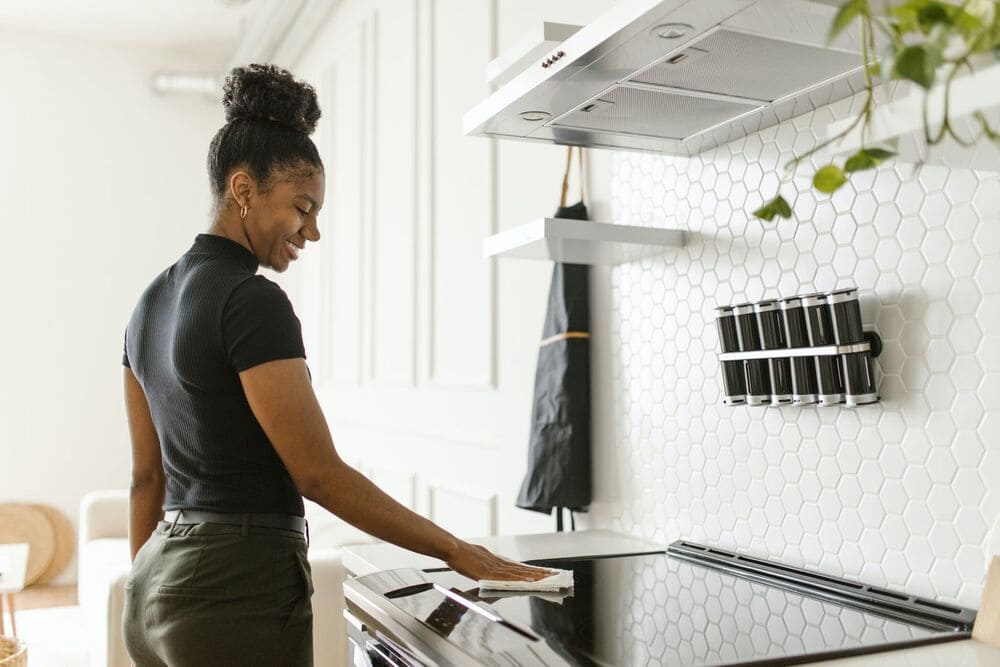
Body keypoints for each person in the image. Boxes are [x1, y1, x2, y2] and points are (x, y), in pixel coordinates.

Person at [121, 63, 551, 667]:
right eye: (303, 207)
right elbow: (317, 474)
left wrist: (146, 584)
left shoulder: (148, 304)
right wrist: (458, 551)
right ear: (244, 190)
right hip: (232, 590)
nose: (312, 231)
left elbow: (146, 479)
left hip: (153, 588)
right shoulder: (251, 301)